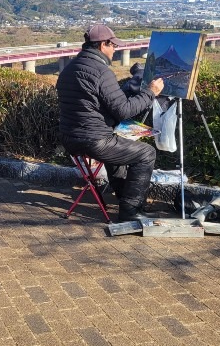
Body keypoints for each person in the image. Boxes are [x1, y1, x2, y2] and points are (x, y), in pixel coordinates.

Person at [56, 24, 164, 221]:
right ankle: (131, 211)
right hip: (94, 140)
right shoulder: (101, 71)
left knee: (117, 152)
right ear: (102, 45)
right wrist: (150, 93)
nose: (115, 49)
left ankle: (125, 199)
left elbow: (88, 105)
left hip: (69, 139)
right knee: (147, 153)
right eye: (113, 45)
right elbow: (123, 110)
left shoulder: (68, 69)